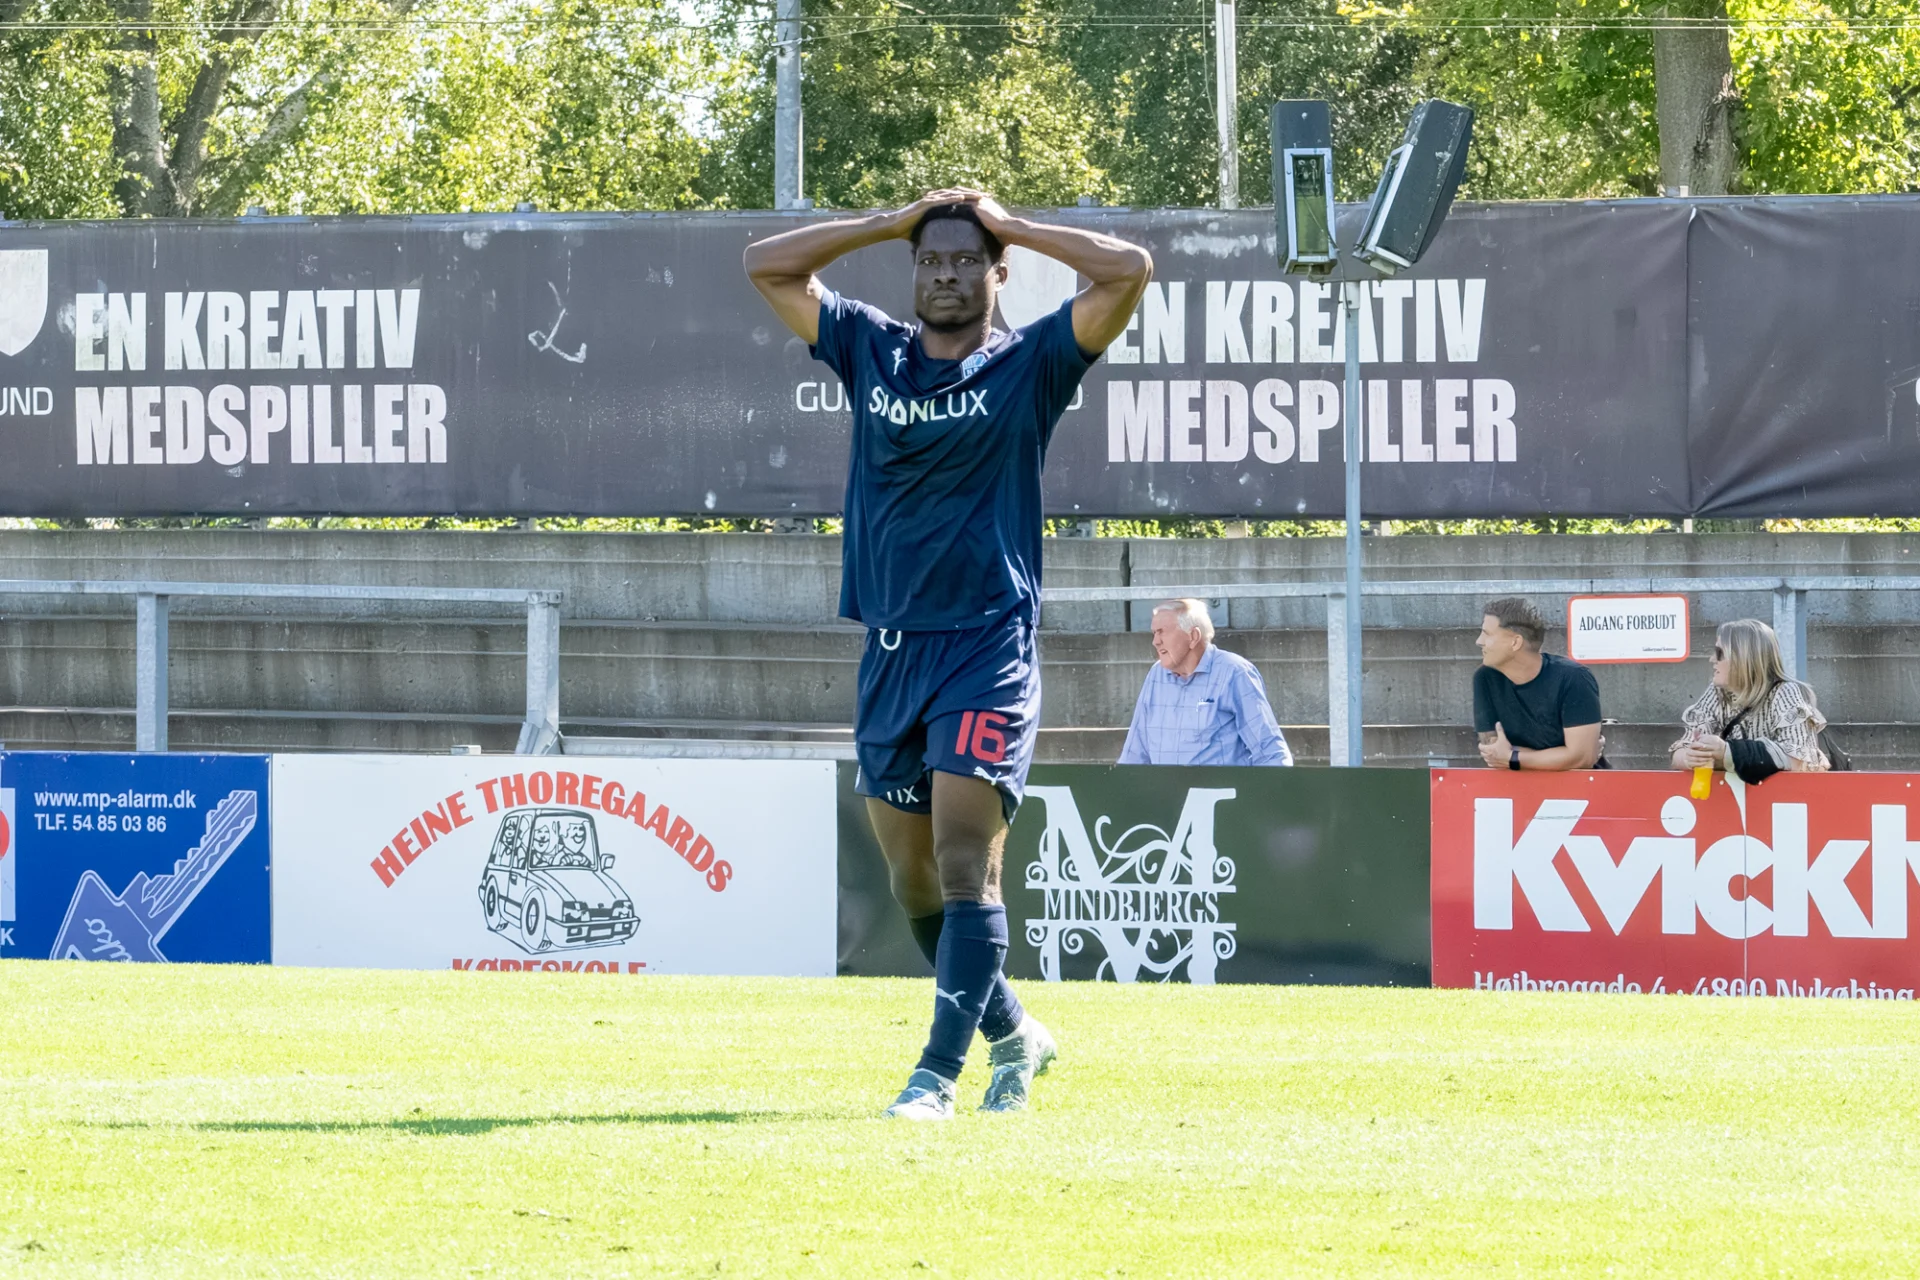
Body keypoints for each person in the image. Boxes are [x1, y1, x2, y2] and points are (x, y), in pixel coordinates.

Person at [744, 189, 1152, 1120]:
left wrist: (1013, 222)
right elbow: (765, 265)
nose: (946, 275)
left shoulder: (1033, 363)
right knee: (913, 879)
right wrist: (889, 222)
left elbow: (1128, 271)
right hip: (891, 649)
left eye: (968, 259)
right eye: (931, 260)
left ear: (998, 273)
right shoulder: (869, 347)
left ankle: (934, 1077)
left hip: (986, 644)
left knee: (966, 864)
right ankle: (1014, 1034)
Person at [1118, 599, 1292, 767]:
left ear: (1193, 636)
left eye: (1162, 631)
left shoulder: (1234, 672)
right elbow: (1135, 755)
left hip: (1221, 787)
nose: (1155, 641)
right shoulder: (1156, 674)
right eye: (1154, 633)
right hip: (1165, 787)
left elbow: (1270, 752)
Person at [1671, 618, 1831, 781]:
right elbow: (1680, 751)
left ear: (1743, 658)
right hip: (1737, 795)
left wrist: (1727, 752)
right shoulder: (1717, 692)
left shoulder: (1784, 692)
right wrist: (1689, 758)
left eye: (1720, 653)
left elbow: (1799, 759)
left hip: (1785, 795)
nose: (1712, 659)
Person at [1473, 596, 1606, 770]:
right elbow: (1493, 752)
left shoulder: (1573, 678)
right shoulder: (1485, 678)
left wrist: (1513, 757)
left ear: (1515, 642)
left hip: (1581, 785)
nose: (1479, 641)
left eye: (1487, 634)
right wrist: (1563, 756)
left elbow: (1582, 759)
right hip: (1515, 783)